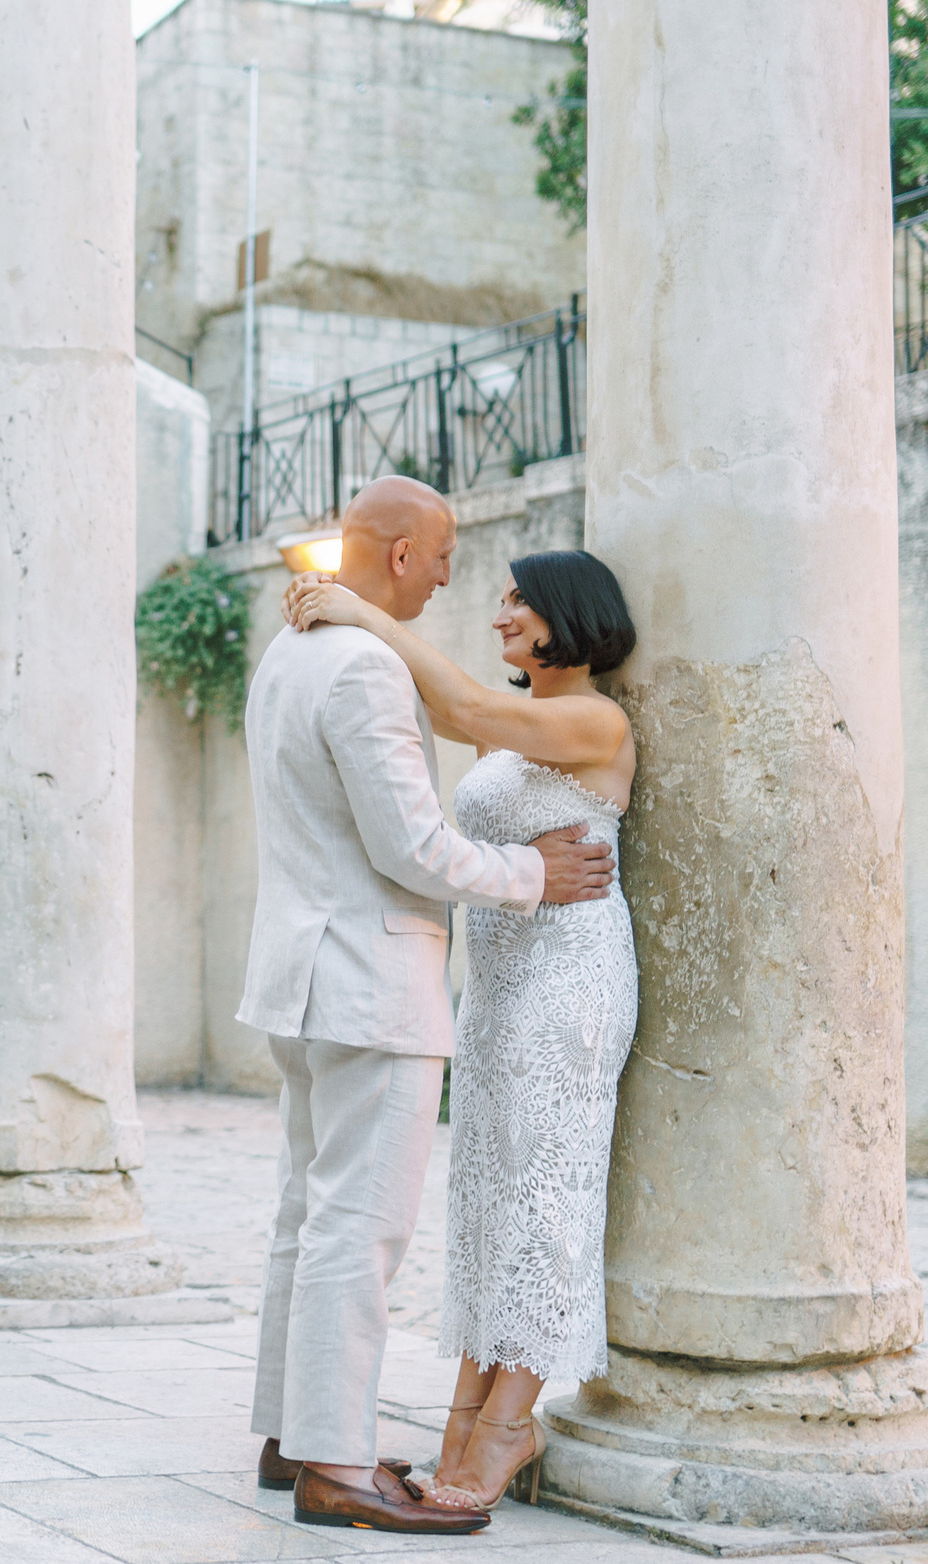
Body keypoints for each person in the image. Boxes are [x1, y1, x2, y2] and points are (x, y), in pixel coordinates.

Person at [240, 477, 617, 1535]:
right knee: (358, 1230)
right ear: (401, 554)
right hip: (368, 981)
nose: (454, 576)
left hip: (300, 977)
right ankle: (332, 1464)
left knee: (304, 1217)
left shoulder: (289, 654)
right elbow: (412, 848)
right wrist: (535, 873)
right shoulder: (361, 664)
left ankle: (289, 1433)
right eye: (447, 554)